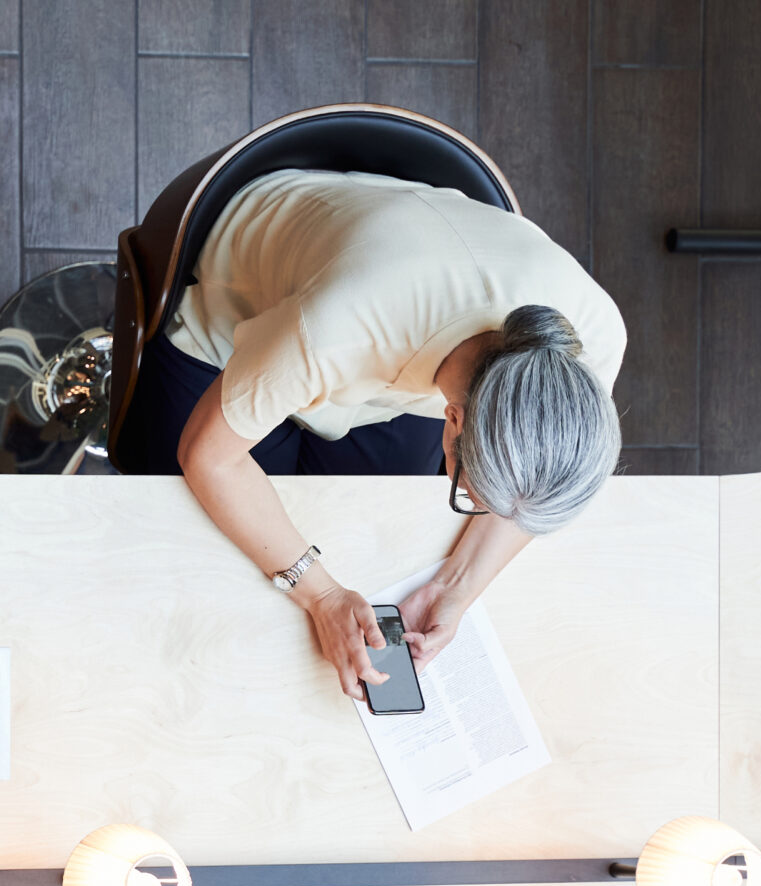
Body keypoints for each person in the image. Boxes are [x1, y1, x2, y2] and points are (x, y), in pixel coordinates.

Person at [117, 168, 626, 701]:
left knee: (363, 525)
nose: (488, 511)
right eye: (473, 496)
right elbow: (210, 458)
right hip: (241, 319)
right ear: (453, 421)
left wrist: (455, 588)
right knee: (185, 528)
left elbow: (529, 496)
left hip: (378, 361)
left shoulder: (591, 346)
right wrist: (323, 597)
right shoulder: (340, 326)